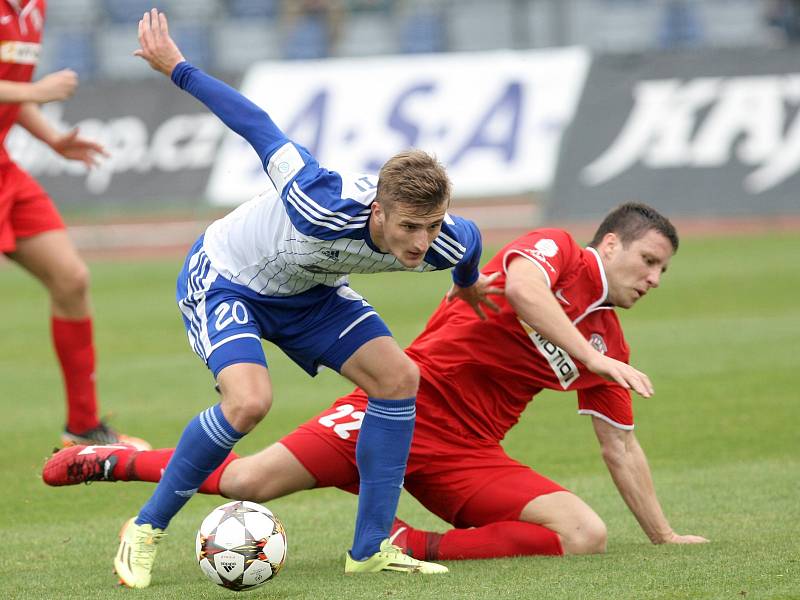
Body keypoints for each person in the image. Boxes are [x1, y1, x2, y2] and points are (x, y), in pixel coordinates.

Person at [45, 202, 708, 566]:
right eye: (649, 260)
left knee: (582, 533)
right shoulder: (556, 250)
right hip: (390, 413)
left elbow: (620, 446)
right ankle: (110, 458)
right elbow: (529, 292)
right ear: (612, 245)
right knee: (247, 482)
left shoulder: (608, 345)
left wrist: (663, 536)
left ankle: (406, 544)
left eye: (663, 272)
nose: (652, 278)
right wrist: (588, 359)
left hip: (466, 456)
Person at [107, 8, 503, 588]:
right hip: (227, 277)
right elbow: (256, 123)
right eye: (410, 228)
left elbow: (470, 246)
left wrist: (467, 285)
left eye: (433, 226)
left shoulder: (443, 237)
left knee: (398, 380)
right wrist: (178, 67)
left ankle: (369, 549)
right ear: (379, 211)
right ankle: (144, 529)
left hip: (309, 293)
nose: (421, 244)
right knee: (248, 403)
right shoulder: (317, 200)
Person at [0, 1, 149, 449]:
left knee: (70, 278)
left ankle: (82, 427)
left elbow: (13, 92)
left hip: (5, 170)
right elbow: (22, 90)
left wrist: (52, 138)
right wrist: (34, 93)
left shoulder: (32, 8)